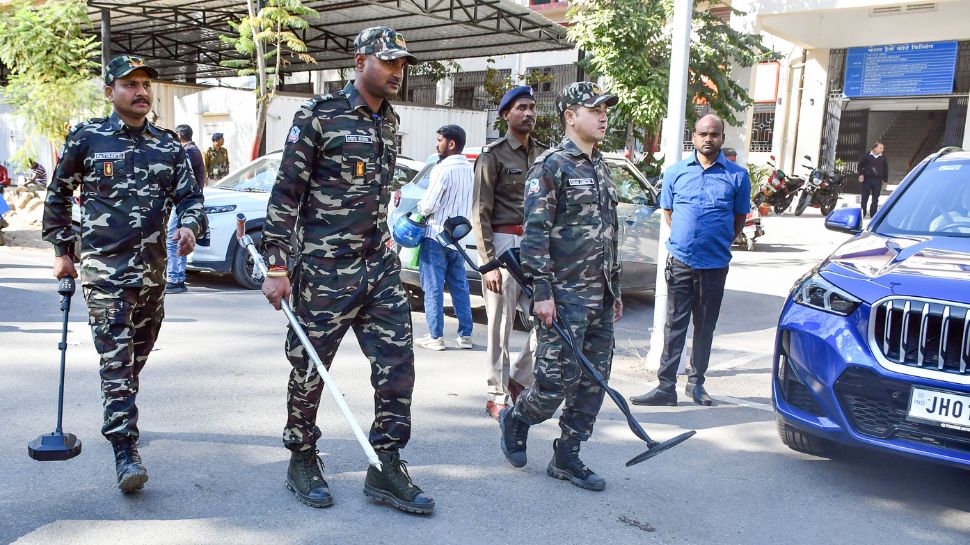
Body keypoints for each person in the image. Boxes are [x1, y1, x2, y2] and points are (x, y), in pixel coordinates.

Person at [260, 26, 434, 514]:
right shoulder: (319, 116)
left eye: (402, 64)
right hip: (323, 269)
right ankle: (301, 456)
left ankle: (386, 464)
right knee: (310, 368)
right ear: (360, 62)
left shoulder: (389, 121)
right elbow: (285, 194)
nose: (397, 72)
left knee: (397, 366)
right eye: (388, 62)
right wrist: (277, 265)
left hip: (378, 267)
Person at [42, 55, 207, 493]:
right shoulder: (88, 138)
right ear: (109, 91)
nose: (141, 92)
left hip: (152, 274)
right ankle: (124, 448)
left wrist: (191, 226)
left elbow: (191, 197)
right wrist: (62, 250)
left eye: (146, 85)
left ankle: (119, 407)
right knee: (116, 361)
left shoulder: (168, 145)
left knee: (137, 354)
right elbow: (58, 193)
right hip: (104, 272)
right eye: (130, 84)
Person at [498, 81, 622, 492]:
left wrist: (616, 290)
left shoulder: (601, 166)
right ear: (571, 116)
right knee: (553, 383)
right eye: (594, 109)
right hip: (565, 297)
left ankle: (567, 455)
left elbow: (610, 235)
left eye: (605, 109)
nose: (603, 116)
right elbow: (535, 235)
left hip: (600, 297)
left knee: (593, 382)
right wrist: (543, 293)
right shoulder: (551, 166)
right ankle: (517, 417)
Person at [630, 114, 750, 407]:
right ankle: (666, 387)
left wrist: (715, 241)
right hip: (681, 262)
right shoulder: (676, 173)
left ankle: (696, 384)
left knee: (705, 326)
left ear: (722, 138)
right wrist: (688, 241)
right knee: (674, 325)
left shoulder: (737, 176)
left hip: (714, 265)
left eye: (714, 134)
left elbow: (739, 219)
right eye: (703, 133)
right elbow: (669, 213)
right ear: (693, 137)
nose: (708, 138)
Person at [472, 85, 547, 419]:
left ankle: (518, 377)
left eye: (532, 107)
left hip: (535, 247)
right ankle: (496, 392)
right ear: (505, 114)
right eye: (521, 108)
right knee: (500, 325)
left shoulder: (544, 154)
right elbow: (479, 212)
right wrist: (487, 263)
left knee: (547, 319)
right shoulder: (493, 155)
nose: (528, 113)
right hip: (503, 246)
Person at [414, 125, 475, 351]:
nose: (436, 144)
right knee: (460, 287)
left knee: (433, 287)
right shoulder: (470, 169)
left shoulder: (442, 169)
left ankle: (435, 336)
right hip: (457, 239)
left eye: (439, 140)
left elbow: (428, 205)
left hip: (435, 235)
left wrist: (418, 210)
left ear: (451, 144)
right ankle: (465, 335)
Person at [166, 124, 206, 294]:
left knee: (172, 240)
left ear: (179, 135)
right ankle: (179, 277)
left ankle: (174, 278)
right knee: (181, 239)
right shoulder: (193, 150)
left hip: (184, 202)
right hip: (187, 201)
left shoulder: (187, 151)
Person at [857, 142, 888, 218]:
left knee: (875, 198)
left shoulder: (883, 157)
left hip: (877, 180)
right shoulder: (867, 156)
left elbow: (885, 169)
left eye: (882, 148)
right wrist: (860, 174)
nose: (882, 150)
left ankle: (873, 214)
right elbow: (859, 165)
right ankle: (863, 213)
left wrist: (885, 180)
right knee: (864, 197)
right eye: (881, 148)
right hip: (867, 179)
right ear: (875, 148)